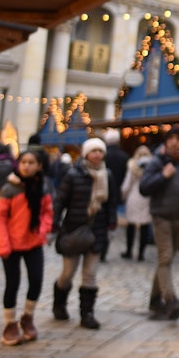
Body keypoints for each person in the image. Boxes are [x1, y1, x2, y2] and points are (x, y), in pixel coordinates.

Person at [51, 137, 116, 330]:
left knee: (90, 274)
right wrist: (54, 223)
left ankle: (87, 314)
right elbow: (60, 201)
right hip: (74, 230)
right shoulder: (73, 174)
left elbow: (111, 203)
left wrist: (111, 223)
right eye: (93, 151)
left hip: (97, 231)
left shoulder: (108, 175)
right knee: (68, 273)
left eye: (100, 151)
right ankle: (59, 303)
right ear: (86, 154)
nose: (97, 154)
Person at [139, 126, 179, 320]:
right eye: (170, 138)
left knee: (167, 259)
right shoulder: (157, 161)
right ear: (165, 142)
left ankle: (154, 299)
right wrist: (162, 176)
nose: (174, 141)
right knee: (165, 257)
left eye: (178, 138)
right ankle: (170, 300)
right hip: (162, 216)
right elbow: (144, 187)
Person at [0, 150, 53, 346]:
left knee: (36, 280)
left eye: (31, 162)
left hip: (33, 242)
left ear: (39, 166)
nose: (26, 166)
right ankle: (10, 324)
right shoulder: (9, 189)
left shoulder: (42, 187)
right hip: (11, 244)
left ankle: (28, 317)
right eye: (23, 162)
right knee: (13, 283)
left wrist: (42, 230)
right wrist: (2, 245)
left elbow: (47, 213)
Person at [119, 145, 153, 261]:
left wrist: (123, 195)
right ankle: (141, 253)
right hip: (146, 198)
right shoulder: (152, 166)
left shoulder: (132, 165)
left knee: (131, 226)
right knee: (144, 226)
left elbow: (127, 184)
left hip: (133, 196)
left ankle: (129, 251)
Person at [101, 129, 127, 262]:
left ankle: (96, 248)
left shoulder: (102, 155)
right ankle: (103, 249)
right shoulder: (124, 157)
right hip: (115, 193)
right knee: (110, 219)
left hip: (100, 192)